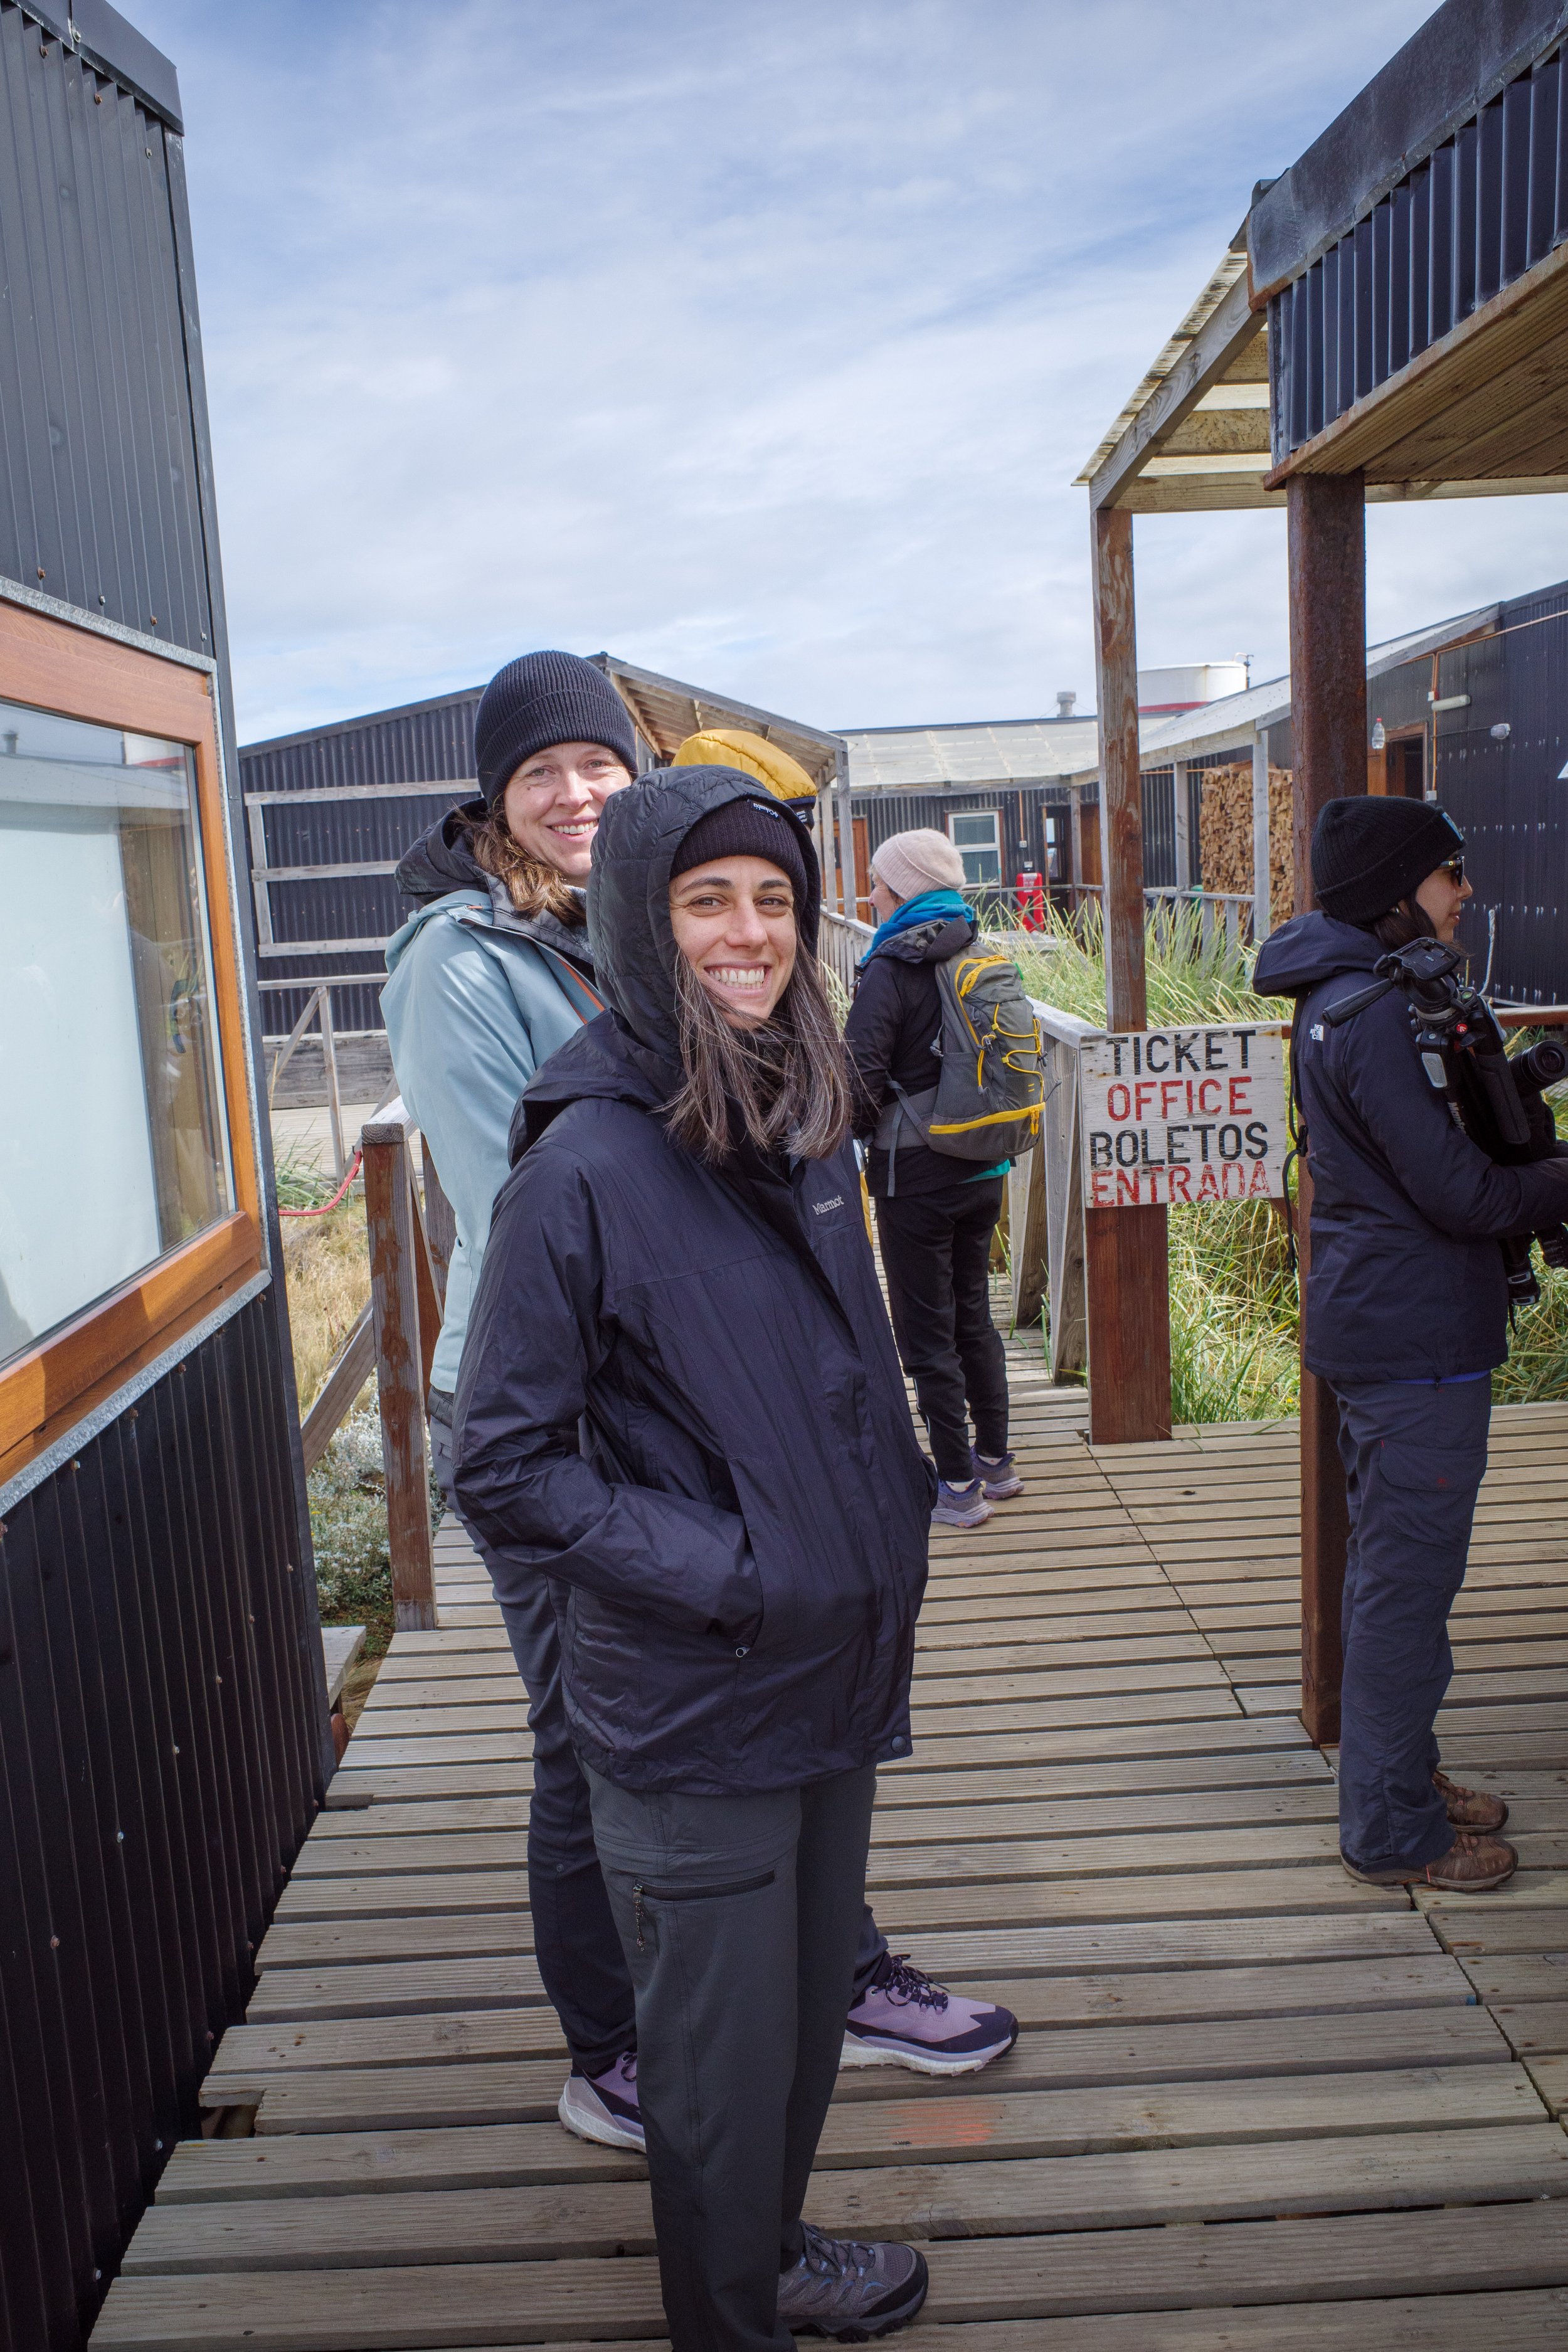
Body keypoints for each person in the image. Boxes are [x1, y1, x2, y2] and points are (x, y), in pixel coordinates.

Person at [383, 658, 1017, 2157]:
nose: (576, 790)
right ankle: (618, 2045)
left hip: (718, 1382)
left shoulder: (651, 916)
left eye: (598, 762)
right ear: (498, 801)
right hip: (571, 1398)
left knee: (787, 1697)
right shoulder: (461, 960)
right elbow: (527, 1196)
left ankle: (822, 1965)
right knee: (583, 1739)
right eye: (541, 772)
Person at [452, 770, 938, 2346]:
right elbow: (503, 1464)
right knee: (720, 2083)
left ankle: (775, 2252)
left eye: (777, 900)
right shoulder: (583, 1165)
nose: (749, 932)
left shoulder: (794, 1107)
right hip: (695, 1696)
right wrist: (733, 1568)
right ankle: (729, 2310)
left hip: (829, 1677)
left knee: (798, 2042)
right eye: (708, 899)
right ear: (643, 923)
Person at [1253, 794, 1568, 1894]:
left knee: (1400, 1584)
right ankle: (1390, 1832)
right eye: (1450, 874)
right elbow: (1458, 1191)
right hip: (1414, 1341)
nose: (1466, 891)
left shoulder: (1341, 999)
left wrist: (1526, 1082)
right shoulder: (1374, 1012)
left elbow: (1423, 1149)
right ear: (1395, 894)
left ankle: (1402, 1776)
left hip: (1385, 1326)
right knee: (1404, 1593)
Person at [842, 828, 1020, 1529]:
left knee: (926, 1333)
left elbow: (859, 1072)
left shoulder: (893, 965)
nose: (872, 894)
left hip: (914, 1173)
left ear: (903, 891)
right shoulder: (981, 948)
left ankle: (955, 1487)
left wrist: (841, 1139)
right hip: (984, 1165)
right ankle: (995, 1464)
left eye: (880, 884)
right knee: (973, 1314)